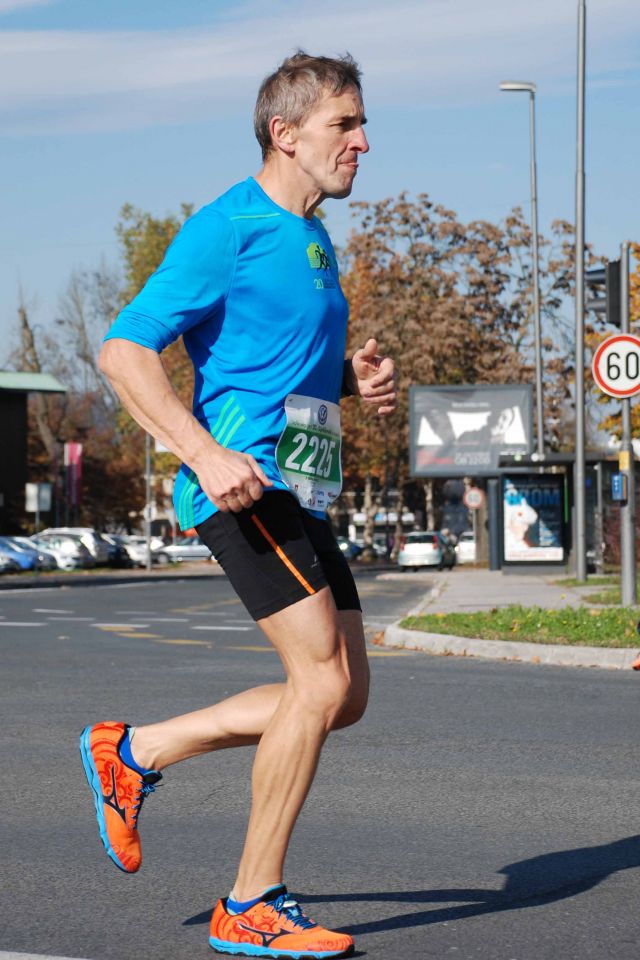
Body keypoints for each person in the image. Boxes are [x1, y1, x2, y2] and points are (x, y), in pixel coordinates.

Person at [79, 51, 396, 960]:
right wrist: (205, 453)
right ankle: (251, 900)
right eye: (346, 126)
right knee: (321, 681)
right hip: (245, 485)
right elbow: (124, 351)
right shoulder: (229, 227)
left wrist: (350, 377)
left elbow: (272, 369)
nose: (363, 143)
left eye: (363, 125)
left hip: (302, 485)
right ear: (284, 133)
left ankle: (134, 751)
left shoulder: (311, 237)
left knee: (346, 697)